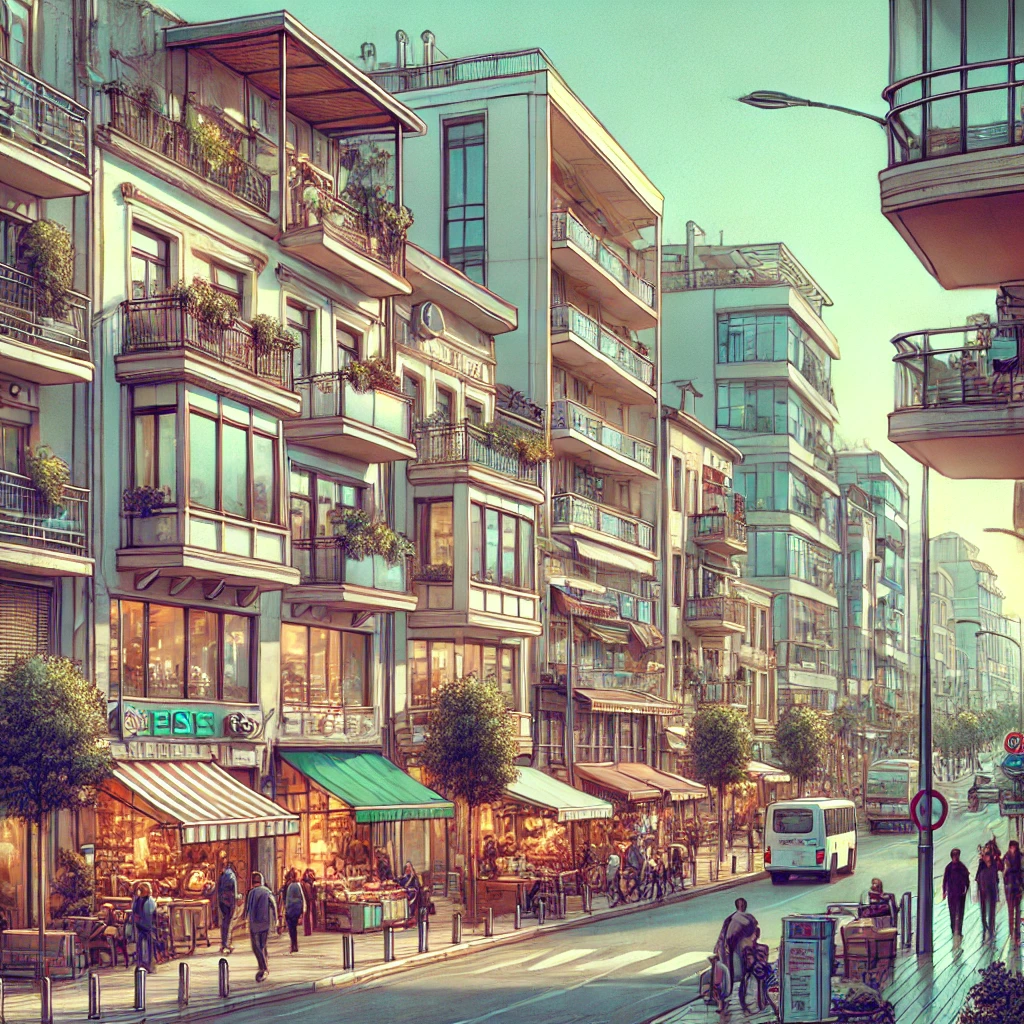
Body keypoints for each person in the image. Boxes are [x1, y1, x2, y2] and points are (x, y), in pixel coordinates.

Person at [244, 871, 277, 981]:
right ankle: (264, 965)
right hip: (265, 922)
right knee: (263, 945)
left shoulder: (251, 893)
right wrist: (276, 918)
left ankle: (264, 968)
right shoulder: (267, 892)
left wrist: (245, 917)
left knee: (256, 946)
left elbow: (247, 907)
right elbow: (273, 905)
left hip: (254, 923)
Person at [942, 848, 971, 938]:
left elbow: (967, 879)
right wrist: (944, 891)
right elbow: (945, 880)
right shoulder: (949, 868)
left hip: (960, 893)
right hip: (952, 893)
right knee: (953, 912)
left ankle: (959, 930)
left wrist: (966, 889)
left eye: (957, 855)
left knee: (960, 912)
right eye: (954, 855)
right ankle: (953, 929)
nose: (956, 857)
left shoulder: (961, 867)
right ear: (952, 856)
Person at [131, 882, 158, 974]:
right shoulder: (138, 900)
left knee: (148, 946)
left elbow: (149, 914)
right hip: (140, 926)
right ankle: (140, 964)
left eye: (141, 889)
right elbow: (134, 911)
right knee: (140, 947)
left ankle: (149, 965)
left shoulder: (149, 901)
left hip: (147, 927)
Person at [977, 850, 1001, 942]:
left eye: (988, 857)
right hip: (983, 890)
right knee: (983, 909)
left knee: (992, 909)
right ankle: (984, 924)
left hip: (992, 890)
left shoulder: (994, 866)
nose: (986, 859)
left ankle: (991, 926)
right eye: (985, 857)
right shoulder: (982, 865)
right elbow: (977, 877)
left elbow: (996, 878)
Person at [1004, 840, 1023, 945]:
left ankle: (1017, 935)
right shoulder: (1006, 857)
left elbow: (1022, 871)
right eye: (1011, 847)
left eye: (1014, 847)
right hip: (1009, 887)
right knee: (1011, 911)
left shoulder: (1020, 857)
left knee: (1017, 911)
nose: (1013, 849)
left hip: (1017, 886)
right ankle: (1012, 933)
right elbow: (1003, 871)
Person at [217, 859, 238, 953]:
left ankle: (223, 943)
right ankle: (227, 944)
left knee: (224, 922)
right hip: (229, 901)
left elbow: (219, 888)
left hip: (222, 901)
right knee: (229, 923)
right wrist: (237, 897)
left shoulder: (222, 875)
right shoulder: (231, 875)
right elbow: (233, 890)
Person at [282, 869, 305, 954]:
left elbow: (287, 899)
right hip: (294, 910)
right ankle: (294, 945)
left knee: (292, 929)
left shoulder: (289, 885)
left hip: (290, 910)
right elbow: (300, 899)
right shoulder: (296, 886)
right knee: (293, 929)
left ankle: (293, 945)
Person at [301, 868, 317, 936]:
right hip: (307, 900)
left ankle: (309, 929)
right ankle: (308, 930)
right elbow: (309, 893)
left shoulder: (308, 882)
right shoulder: (307, 883)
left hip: (308, 899)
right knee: (307, 915)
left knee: (308, 915)